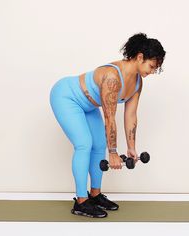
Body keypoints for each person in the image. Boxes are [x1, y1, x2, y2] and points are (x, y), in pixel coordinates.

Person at [49, 32, 166, 218]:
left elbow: (131, 115)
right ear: (140, 57)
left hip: (88, 105)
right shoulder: (112, 76)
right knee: (84, 144)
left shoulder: (137, 83)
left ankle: (94, 196)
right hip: (66, 97)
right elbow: (110, 117)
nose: (152, 72)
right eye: (151, 66)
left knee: (98, 146)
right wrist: (113, 153)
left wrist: (131, 148)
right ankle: (81, 202)